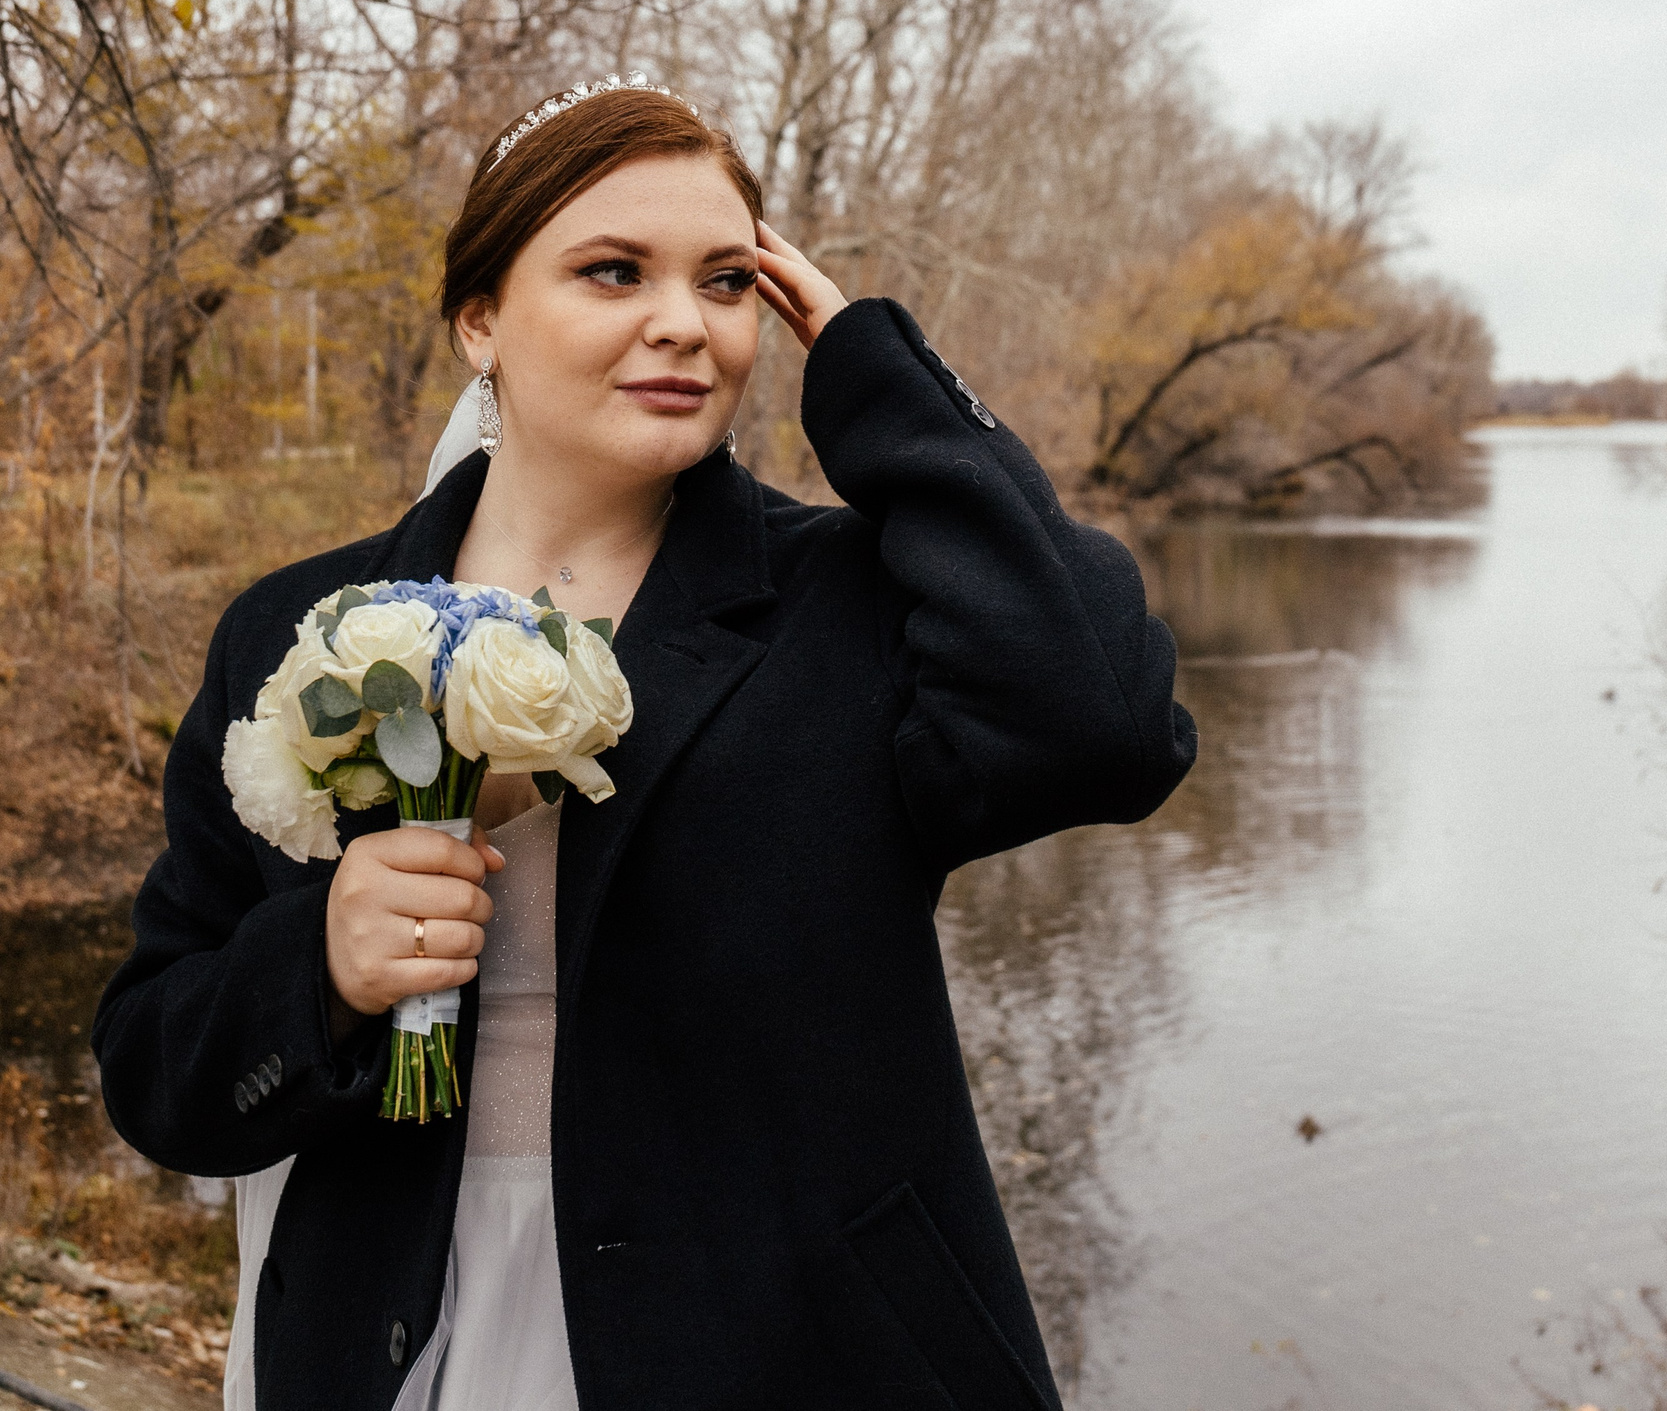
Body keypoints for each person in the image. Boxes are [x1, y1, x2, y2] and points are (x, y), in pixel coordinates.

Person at [89, 77, 1198, 1410]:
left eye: (726, 281)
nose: (684, 323)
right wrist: (318, 968)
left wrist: (872, 372)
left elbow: (1112, 723)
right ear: (480, 319)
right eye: (614, 271)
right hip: (391, 1339)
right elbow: (155, 1068)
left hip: (788, 1347)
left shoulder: (848, 607)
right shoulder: (297, 630)